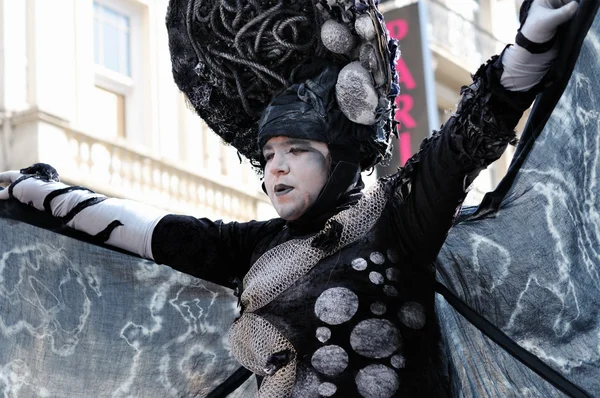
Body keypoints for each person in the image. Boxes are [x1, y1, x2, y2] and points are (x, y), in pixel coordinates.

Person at [0, 0, 579, 396]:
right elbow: (154, 231)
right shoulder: (258, 249)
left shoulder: (395, 225)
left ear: (341, 155)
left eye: (297, 148)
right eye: (269, 151)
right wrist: (48, 197)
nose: (275, 164)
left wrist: (525, 54)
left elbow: (459, 148)